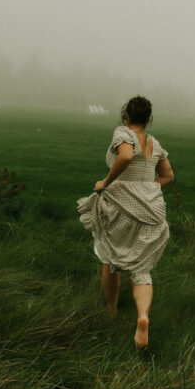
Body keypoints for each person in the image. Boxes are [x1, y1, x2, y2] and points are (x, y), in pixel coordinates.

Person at [77, 96, 174, 350]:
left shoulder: (123, 133)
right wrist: (146, 187)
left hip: (122, 208)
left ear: (126, 117)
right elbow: (168, 176)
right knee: (142, 270)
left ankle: (111, 310)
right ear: (149, 119)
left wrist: (106, 183)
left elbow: (126, 156)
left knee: (111, 259)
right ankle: (143, 316)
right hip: (152, 210)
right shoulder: (155, 143)